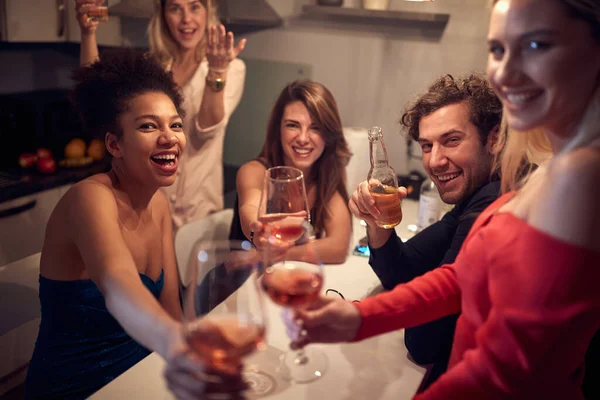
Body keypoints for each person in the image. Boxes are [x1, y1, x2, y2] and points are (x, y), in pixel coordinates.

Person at [284, 0, 600, 398]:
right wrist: (359, 316)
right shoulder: (550, 163)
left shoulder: (581, 176)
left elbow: (506, 373)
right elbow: (460, 279)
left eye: (536, 45)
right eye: (498, 50)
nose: (504, 73)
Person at [25, 51, 246, 400]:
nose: (169, 137)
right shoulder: (90, 198)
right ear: (115, 144)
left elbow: (172, 308)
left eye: (175, 124)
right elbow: (119, 284)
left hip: (144, 375)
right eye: (148, 125)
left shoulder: (158, 202)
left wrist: (190, 353)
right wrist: (174, 344)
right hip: (77, 388)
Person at [349, 73, 503, 388]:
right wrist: (376, 222)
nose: (434, 161)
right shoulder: (478, 191)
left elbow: (424, 342)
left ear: (494, 139)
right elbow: (401, 270)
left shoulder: (494, 203)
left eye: (452, 140)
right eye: (426, 145)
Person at [75, 0, 246, 229]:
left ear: (208, 12)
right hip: (144, 206)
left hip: (197, 213)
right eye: (175, 8)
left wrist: (217, 71)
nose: (186, 18)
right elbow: (95, 90)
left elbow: (207, 130)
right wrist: (88, 34)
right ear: (164, 15)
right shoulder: (154, 66)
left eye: (194, 6)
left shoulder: (230, 67)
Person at [229, 80, 353, 264]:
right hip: (240, 284)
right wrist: (259, 235)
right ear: (278, 129)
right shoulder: (253, 171)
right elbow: (253, 214)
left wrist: (268, 255)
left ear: (328, 135)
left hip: (284, 281)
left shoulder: (326, 177)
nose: (303, 138)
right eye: (292, 125)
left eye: (315, 128)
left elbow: (338, 248)